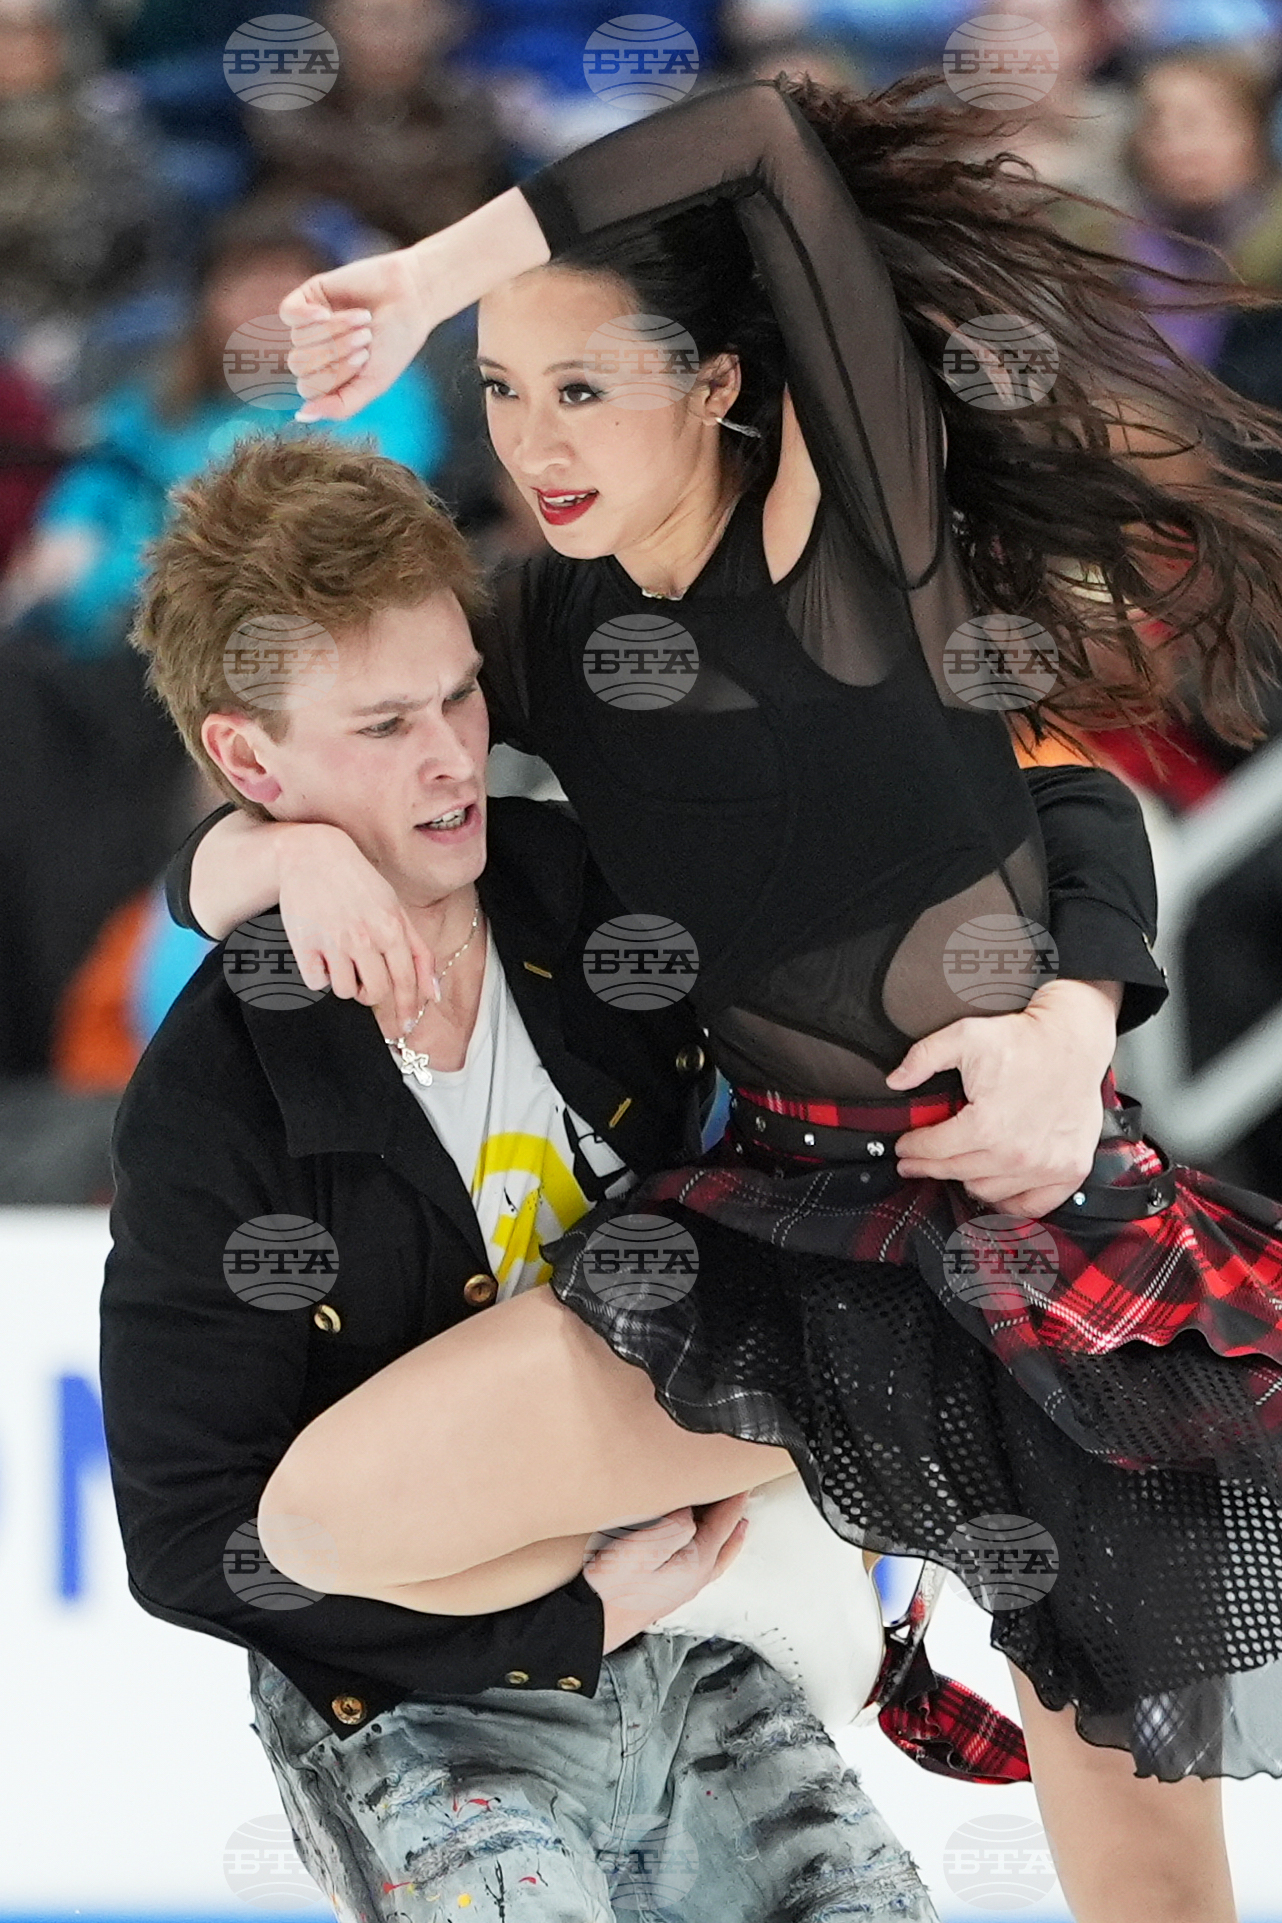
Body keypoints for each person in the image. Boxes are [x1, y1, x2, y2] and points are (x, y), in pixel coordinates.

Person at [168, 69, 1282, 1922]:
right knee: (327, 1515)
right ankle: (780, 1559)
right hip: (790, 1257)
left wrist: (434, 276)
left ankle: (828, 1543)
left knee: (1154, 1891)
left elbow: (763, 140)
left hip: (1035, 1235)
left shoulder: (850, 544)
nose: (534, 440)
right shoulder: (547, 630)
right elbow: (291, 770)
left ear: (719, 387)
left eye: (583, 385)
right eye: (500, 389)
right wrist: (275, 860)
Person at [99, 430, 938, 1923]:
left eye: (459, 694)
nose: (450, 756)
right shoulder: (215, 1094)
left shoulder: (594, 894)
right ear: (250, 762)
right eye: (383, 725)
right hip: (417, 1705)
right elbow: (188, 1538)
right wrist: (555, 1622)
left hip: (713, 1642)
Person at [0, 193, 446, 656]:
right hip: (114, 620)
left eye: (288, 282)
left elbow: (366, 488)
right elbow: (99, 466)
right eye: (245, 282)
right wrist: (68, 529)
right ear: (208, 302)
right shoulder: (164, 394)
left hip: (282, 613)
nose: (268, 302)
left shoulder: (375, 383)